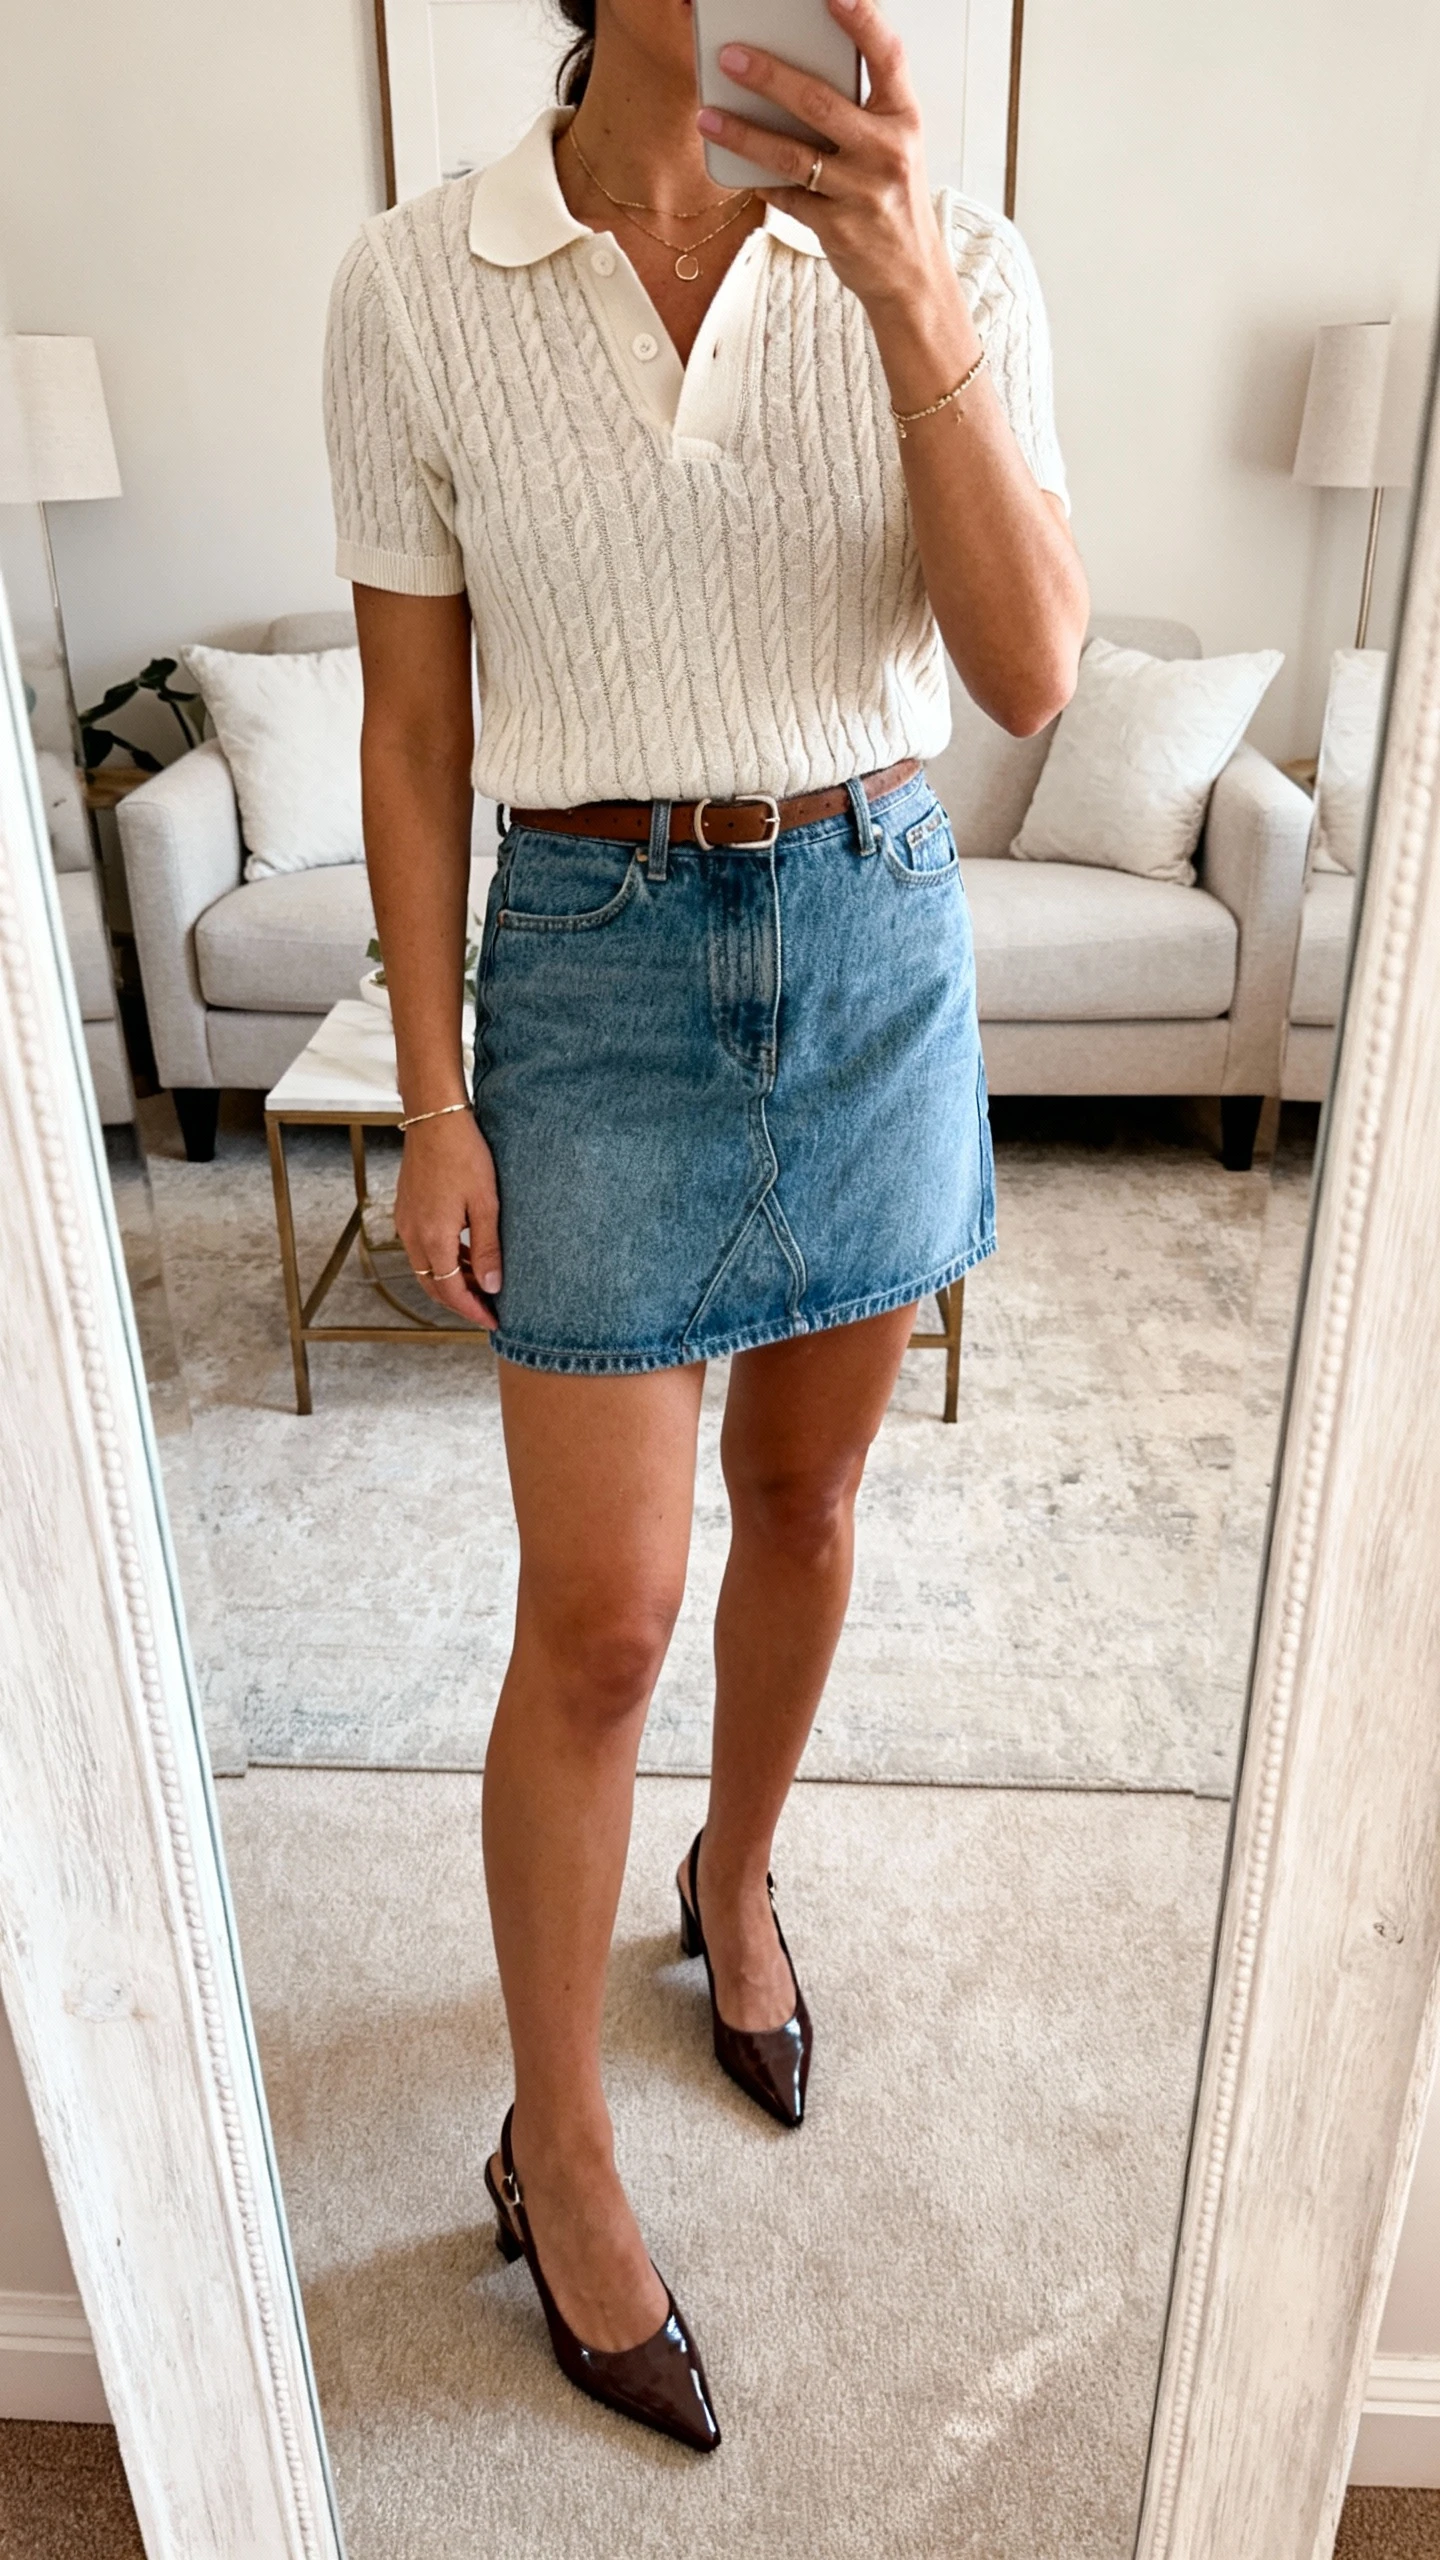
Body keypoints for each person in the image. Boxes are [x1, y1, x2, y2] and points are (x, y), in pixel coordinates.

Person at [324, 0, 1087, 2452]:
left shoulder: (950, 246)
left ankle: (736, 1880)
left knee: (813, 1497)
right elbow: (419, 733)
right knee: (602, 1608)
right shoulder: (422, 280)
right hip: (587, 963)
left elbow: (1031, 668)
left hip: (868, 923)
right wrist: (432, 1090)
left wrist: (907, 303)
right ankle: (557, 2148)